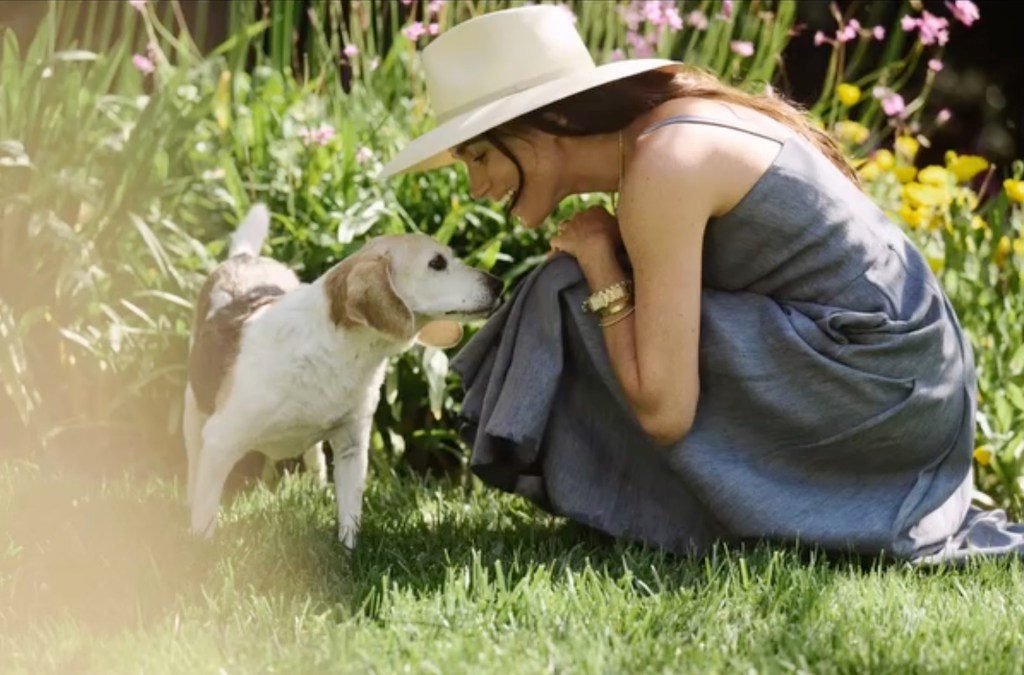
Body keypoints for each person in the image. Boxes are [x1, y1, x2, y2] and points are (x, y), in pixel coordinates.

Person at [380, 5, 1024, 563]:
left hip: (883, 393)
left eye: (482, 156)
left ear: (543, 125)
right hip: (911, 388)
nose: (477, 187)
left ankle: (669, 510)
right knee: (576, 285)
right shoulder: (668, 132)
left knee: (571, 294)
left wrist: (603, 259)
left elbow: (666, 411)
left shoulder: (665, 163)